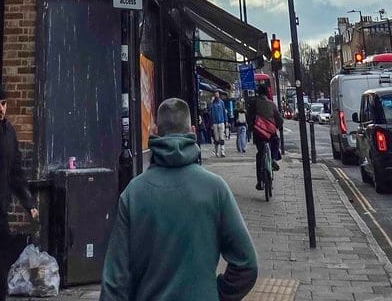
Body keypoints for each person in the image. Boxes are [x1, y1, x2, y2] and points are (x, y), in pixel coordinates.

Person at [99, 95, 257, 301]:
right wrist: (217, 293)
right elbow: (247, 265)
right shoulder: (215, 188)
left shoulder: (134, 193)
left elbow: (114, 281)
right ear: (192, 131)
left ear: (153, 131)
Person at [0, 82, 39, 301]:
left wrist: (29, 204)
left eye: (4, 104)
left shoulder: (8, 133)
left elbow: (16, 173)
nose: (1, 109)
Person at [247, 78, 282, 191]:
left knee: (260, 154)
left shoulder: (254, 103)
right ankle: (274, 159)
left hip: (259, 133)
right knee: (276, 141)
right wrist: (278, 126)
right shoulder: (272, 104)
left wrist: (252, 128)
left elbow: (250, 117)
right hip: (270, 133)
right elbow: (279, 119)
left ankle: (259, 182)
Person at [208, 93, 227, 158]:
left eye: (217, 94)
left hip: (221, 121)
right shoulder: (212, 104)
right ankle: (216, 152)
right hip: (215, 122)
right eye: (215, 94)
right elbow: (210, 114)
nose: (216, 95)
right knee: (216, 138)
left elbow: (224, 111)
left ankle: (222, 151)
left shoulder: (221, 102)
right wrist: (211, 123)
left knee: (221, 137)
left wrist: (226, 121)